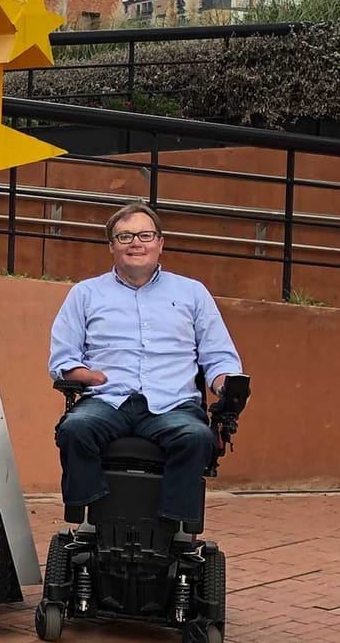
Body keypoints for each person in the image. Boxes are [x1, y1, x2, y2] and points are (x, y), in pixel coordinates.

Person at [49, 203, 244, 542]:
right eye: (124, 236)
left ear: (160, 243)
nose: (135, 243)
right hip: (107, 401)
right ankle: (95, 519)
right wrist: (87, 375)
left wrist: (227, 386)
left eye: (144, 235)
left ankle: (172, 529)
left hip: (172, 403)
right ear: (112, 246)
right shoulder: (85, 294)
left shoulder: (192, 293)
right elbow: (62, 357)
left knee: (196, 438)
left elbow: (220, 357)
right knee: (75, 429)